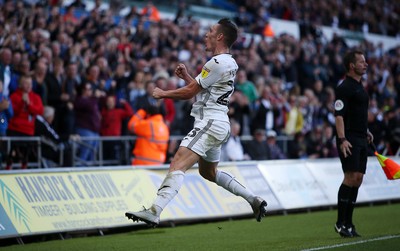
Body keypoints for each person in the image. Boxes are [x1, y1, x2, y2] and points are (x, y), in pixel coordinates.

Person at [126, 18, 267, 226]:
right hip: (219, 123)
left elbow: (191, 93)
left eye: (210, 31)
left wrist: (163, 93)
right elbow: (201, 89)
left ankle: (155, 210)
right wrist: (186, 76)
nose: (206, 35)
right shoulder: (229, 63)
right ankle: (252, 199)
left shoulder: (216, 63)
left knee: (178, 163)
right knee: (208, 172)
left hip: (209, 123)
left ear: (220, 36)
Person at [334, 50, 373, 238]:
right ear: (352, 65)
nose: (365, 64)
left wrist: (366, 131)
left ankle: (349, 223)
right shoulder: (344, 88)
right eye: (362, 62)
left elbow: (357, 114)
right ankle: (340, 223)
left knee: (358, 179)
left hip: (360, 137)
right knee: (350, 177)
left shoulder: (360, 86)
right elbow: (339, 115)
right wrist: (342, 139)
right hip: (349, 138)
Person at [6, 75, 44, 169]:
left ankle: (24, 169)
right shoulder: (14, 96)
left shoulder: (36, 97)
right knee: (12, 154)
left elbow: (40, 111)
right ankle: (8, 169)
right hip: (15, 129)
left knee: (26, 156)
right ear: (20, 84)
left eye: (30, 83)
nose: (28, 86)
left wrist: (29, 105)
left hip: (29, 130)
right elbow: (13, 112)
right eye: (26, 83)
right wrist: (22, 103)